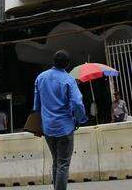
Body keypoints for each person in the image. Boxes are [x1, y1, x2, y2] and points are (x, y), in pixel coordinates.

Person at [33, 50, 87, 190]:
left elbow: (36, 105)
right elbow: (78, 103)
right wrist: (80, 119)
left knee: (56, 162)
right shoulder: (68, 79)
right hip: (64, 128)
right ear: (67, 64)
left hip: (48, 128)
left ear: (53, 61)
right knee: (63, 164)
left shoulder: (41, 78)